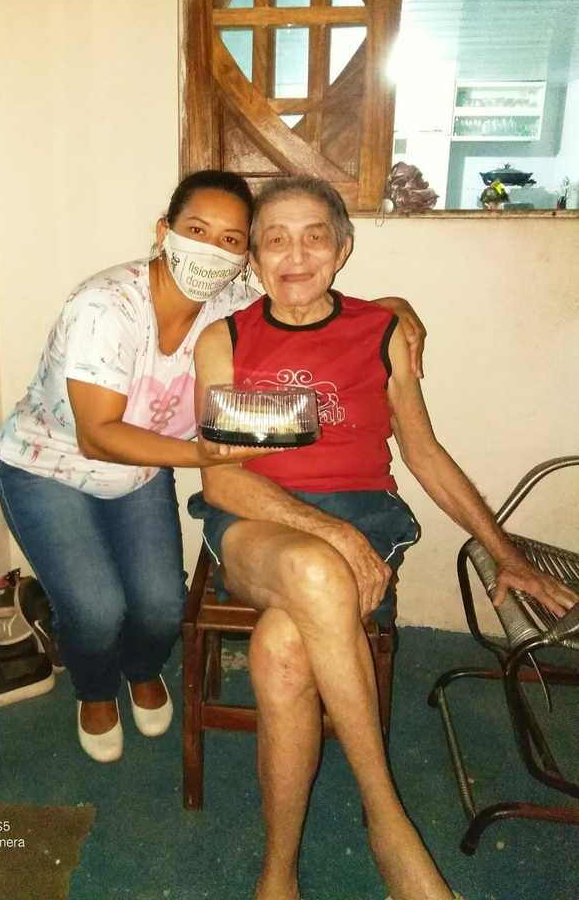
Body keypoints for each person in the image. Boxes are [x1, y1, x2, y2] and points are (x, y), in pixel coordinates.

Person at [191, 176, 578, 900]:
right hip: (257, 523)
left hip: (364, 517)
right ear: (255, 259)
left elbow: (423, 453)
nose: (295, 256)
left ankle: (277, 873)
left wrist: (505, 553)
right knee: (316, 570)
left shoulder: (381, 331)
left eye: (314, 238)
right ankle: (389, 824)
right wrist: (329, 533)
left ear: (342, 249)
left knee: (280, 649)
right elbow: (221, 480)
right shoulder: (226, 339)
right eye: (275, 240)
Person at [0, 169, 427, 764]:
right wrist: (204, 455)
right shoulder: (106, 305)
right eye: (196, 230)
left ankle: (142, 668)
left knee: (161, 606)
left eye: (230, 240)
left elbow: (308, 301)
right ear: (164, 232)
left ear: (244, 255)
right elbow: (97, 437)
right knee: (96, 608)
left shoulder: (228, 304)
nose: (210, 250)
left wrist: (395, 308)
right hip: (50, 466)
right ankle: (93, 689)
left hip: (141, 471)